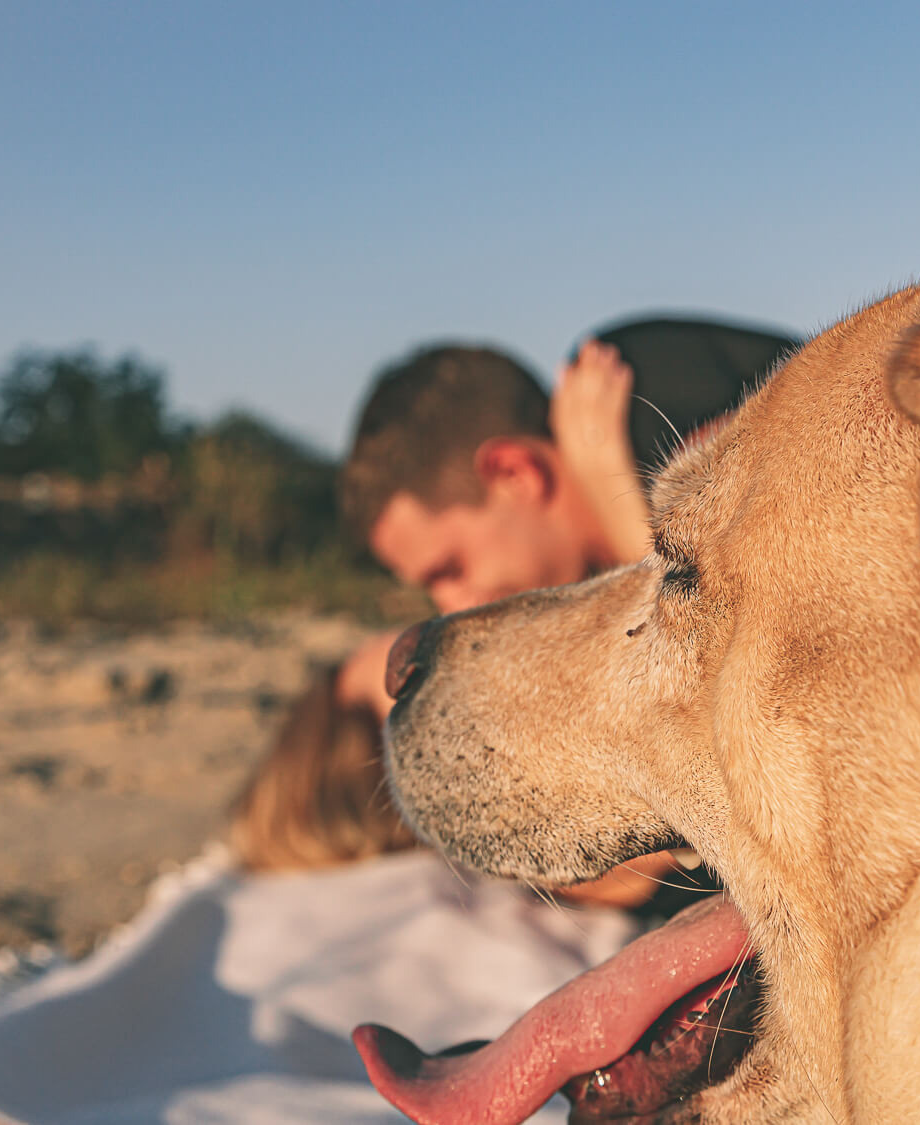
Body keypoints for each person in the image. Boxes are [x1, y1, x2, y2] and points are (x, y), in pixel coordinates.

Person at [233, 319, 799, 908]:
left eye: (448, 570)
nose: (453, 607)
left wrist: (620, 492)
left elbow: (788, 657)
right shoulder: (621, 444)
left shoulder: (653, 402)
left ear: (515, 474)